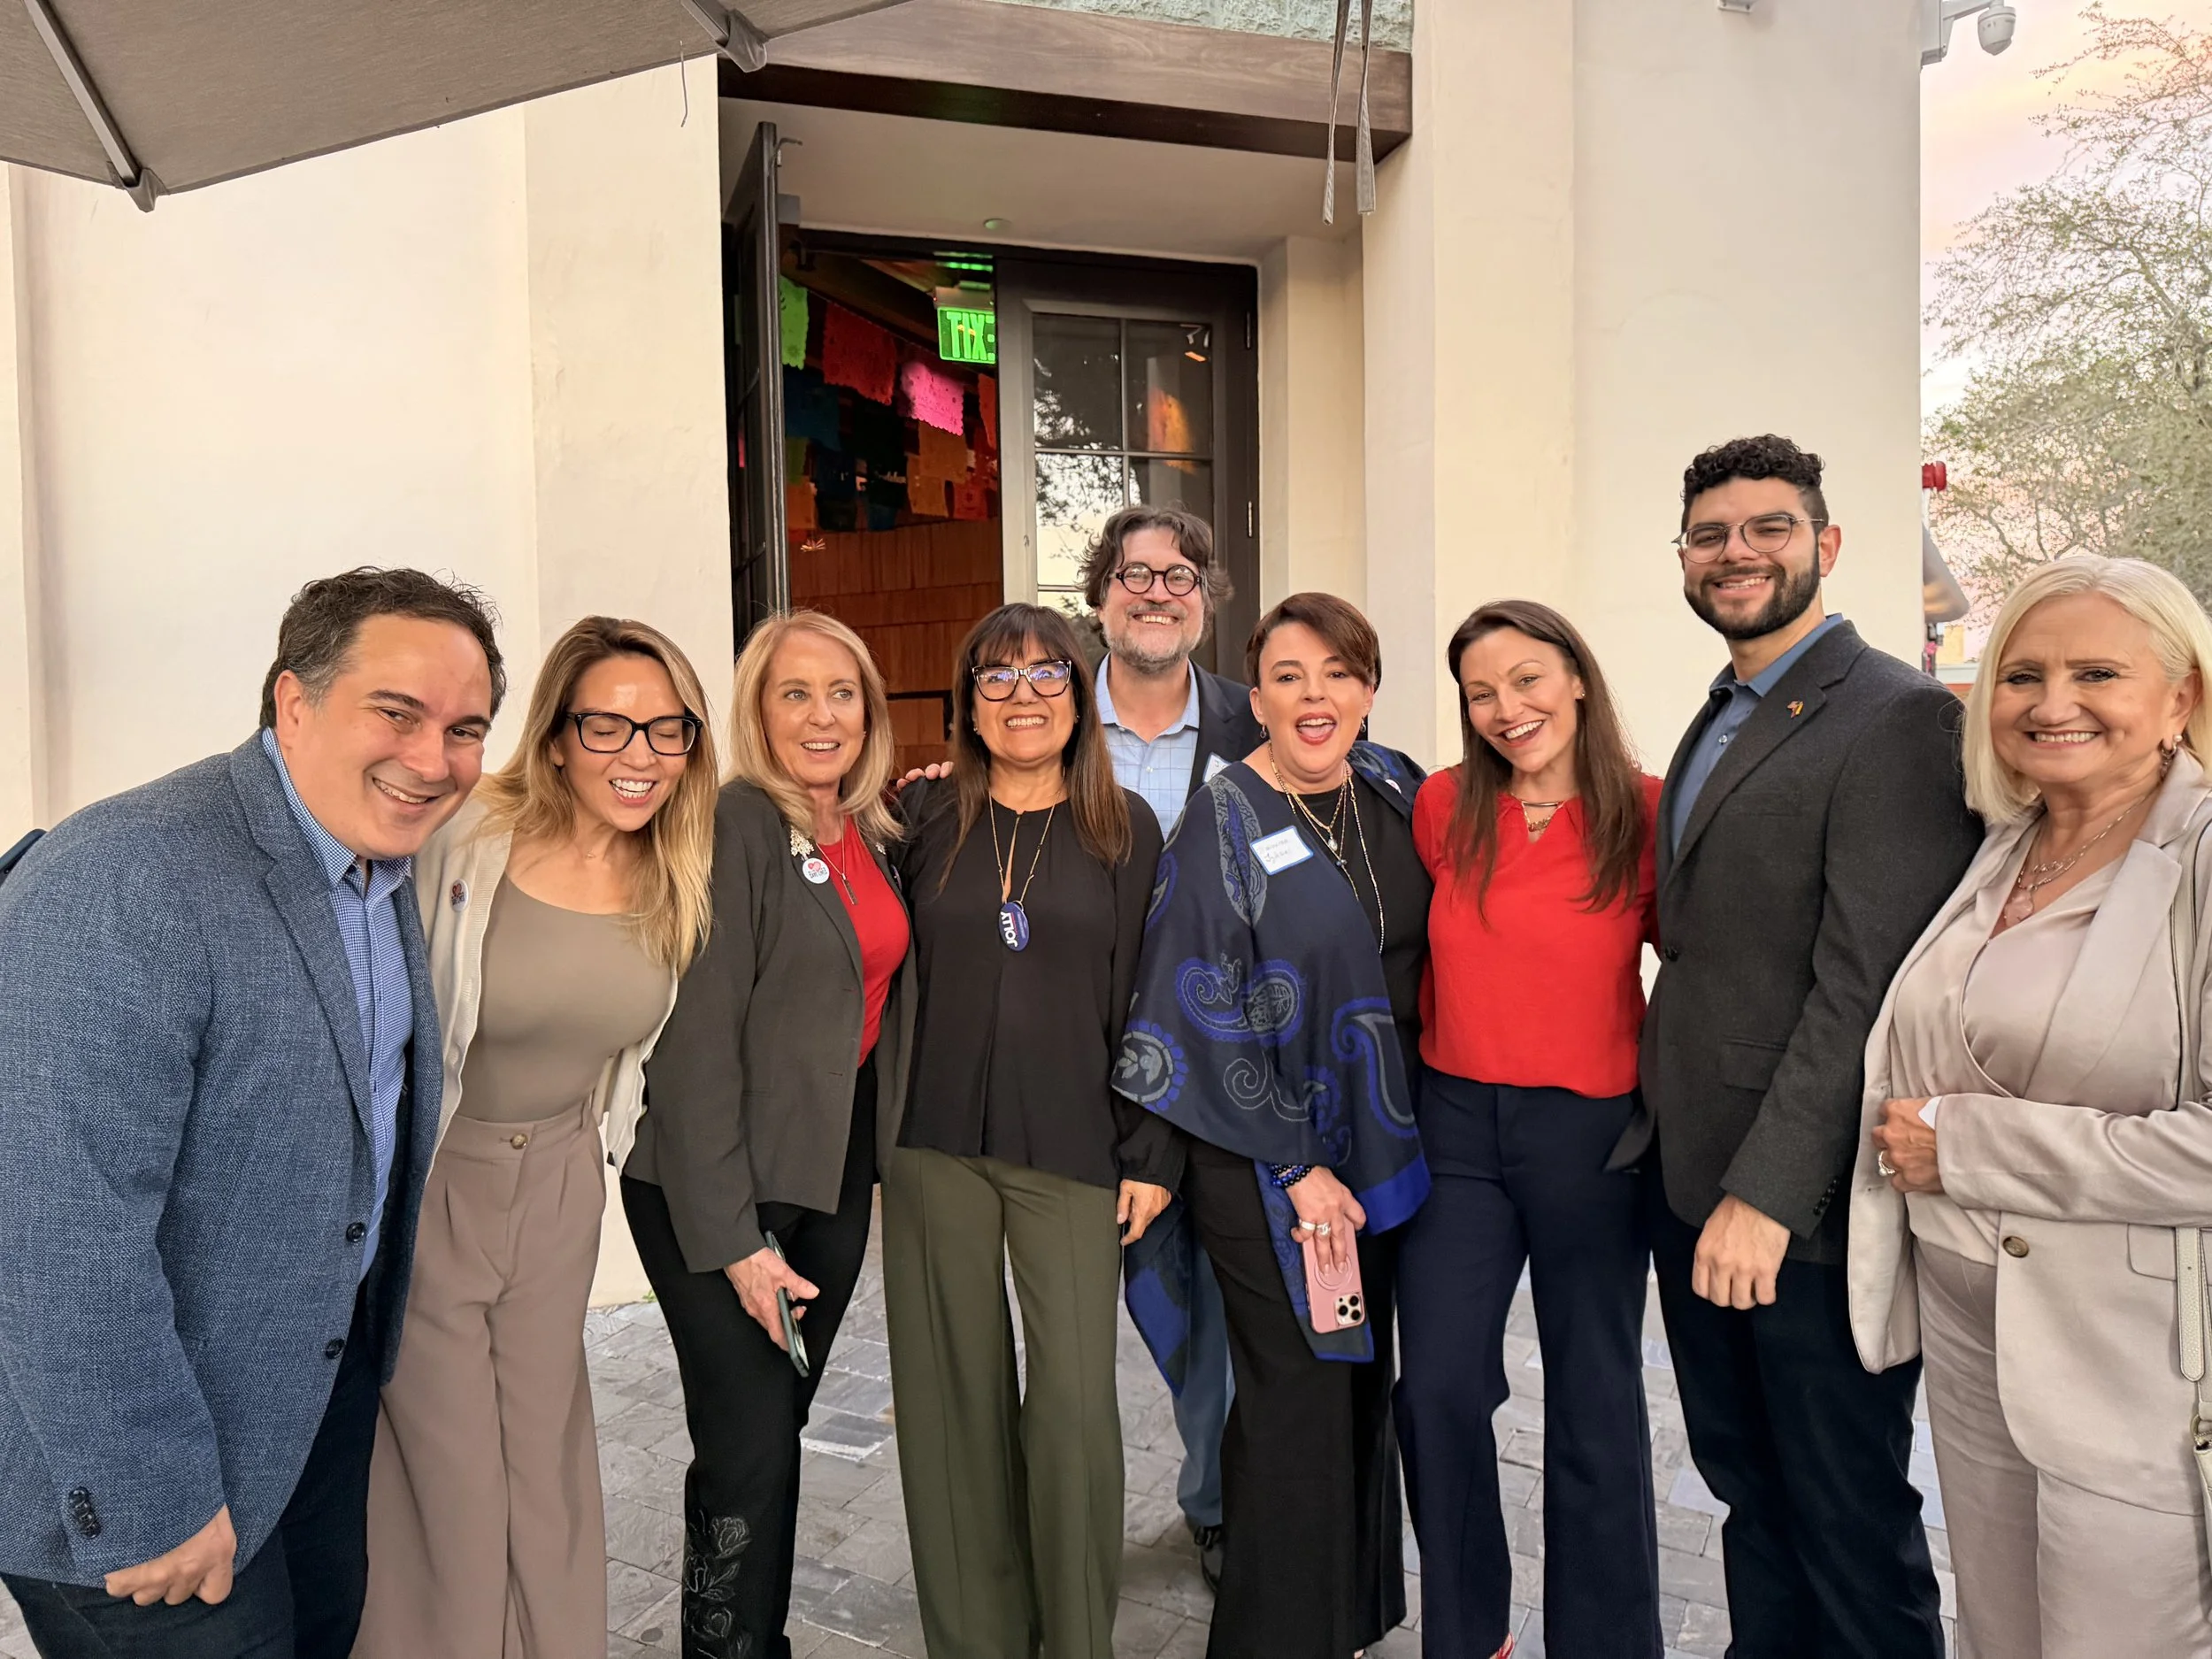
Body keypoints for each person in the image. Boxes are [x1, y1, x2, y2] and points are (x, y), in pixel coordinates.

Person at [0, 567, 503, 1659]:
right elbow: (51, 1228)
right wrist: (148, 1496)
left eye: (465, 729)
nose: (434, 759)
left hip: (305, 1413)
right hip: (143, 1478)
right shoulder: (123, 876)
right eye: (397, 712)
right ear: (292, 701)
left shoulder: (377, 860)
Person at [1629, 435, 1982, 1656]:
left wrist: (1769, 1196)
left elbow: (1865, 987)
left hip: (1800, 1209)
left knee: (1846, 1512)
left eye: (1767, 528)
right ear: (1684, 557)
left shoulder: (1896, 717)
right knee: (1748, 1487)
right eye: (1710, 535)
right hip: (1694, 1175)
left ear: (1825, 544)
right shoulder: (1724, 711)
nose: (1736, 552)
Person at [1851, 553, 2212, 1656]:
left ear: (2181, 697)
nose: (2053, 704)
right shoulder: (2011, 841)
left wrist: (1966, 1145)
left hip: (2128, 1358)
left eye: (2096, 673)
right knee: (2000, 1633)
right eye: (2022, 676)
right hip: (1974, 1337)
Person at [357, 618, 718, 1658]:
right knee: (452, 1474)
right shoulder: (467, 836)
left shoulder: (680, 869)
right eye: (608, 726)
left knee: (546, 1461)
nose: (640, 755)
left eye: (667, 729)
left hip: (561, 1185)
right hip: (440, 1180)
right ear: (557, 736)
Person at [1117, 592, 1430, 1659]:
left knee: (1357, 1384)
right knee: (1296, 1394)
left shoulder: (1392, 788)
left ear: (1368, 690)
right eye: (1288, 676)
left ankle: (1346, 1616)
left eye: (1338, 673)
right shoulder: (1223, 817)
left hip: (1381, 1153)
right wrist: (1298, 1165)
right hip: (1267, 1163)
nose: (1314, 695)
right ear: (1256, 700)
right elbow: (1193, 1006)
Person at [621, 611, 912, 1659]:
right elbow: (694, 1047)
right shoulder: (735, 824)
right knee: (747, 1447)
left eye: (841, 693)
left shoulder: (872, 831)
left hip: (825, 1184)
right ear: (757, 711)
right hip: (714, 1196)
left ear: (869, 711)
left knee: (770, 1439)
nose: (821, 715)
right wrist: (738, 1242)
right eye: (795, 693)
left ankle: (754, 1640)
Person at [884, 603, 1169, 1659]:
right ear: (966, 703)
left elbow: (1149, 996)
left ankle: (1075, 1637)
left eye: (1047, 675)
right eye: (996, 678)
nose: (1023, 696)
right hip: (933, 1143)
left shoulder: (1124, 827)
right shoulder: (919, 816)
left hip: (1076, 1147)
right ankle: (978, 1638)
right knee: (951, 1401)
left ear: (1081, 698)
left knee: (1073, 1409)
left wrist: (1150, 1151)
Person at [1396, 600, 1663, 1659]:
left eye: (1526, 680)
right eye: (1480, 693)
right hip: (1456, 1129)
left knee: (1595, 1399)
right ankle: (1469, 1636)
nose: (1506, 708)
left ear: (1577, 679)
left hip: (1591, 1137)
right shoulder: (1442, 805)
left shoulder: (1647, 813)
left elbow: (1701, 968)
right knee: (1438, 1388)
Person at [1077, 504, 1262, 1586]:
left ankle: (1220, 1499)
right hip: (1074, 1069)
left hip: (1219, 1067)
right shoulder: (1046, 717)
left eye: (1178, 575)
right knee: (1136, 1301)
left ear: (1206, 597)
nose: (1156, 592)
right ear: (1100, 596)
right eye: (1134, 574)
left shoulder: (1254, 723)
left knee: (1219, 1304)